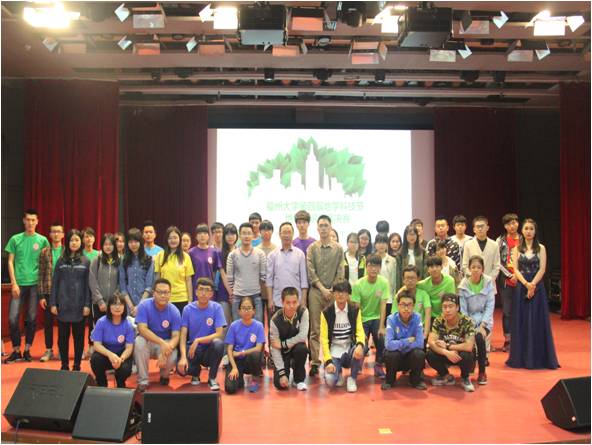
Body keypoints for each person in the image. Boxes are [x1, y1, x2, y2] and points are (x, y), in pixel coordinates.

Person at [506, 219, 559, 370]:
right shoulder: (516, 248)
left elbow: (542, 269)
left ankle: (539, 358)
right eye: (526, 229)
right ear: (522, 231)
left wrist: (533, 285)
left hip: (537, 288)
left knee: (537, 320)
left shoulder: (541, 248)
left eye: (531, 229)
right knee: (521, 321)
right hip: (522, 287)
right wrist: (526, 284)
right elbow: (515, 269)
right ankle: (521, 358)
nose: (529, 231)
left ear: (535, 231)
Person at [4, 209, 50, 363]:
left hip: (35, 285)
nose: (30, 223)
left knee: (31, 318)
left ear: (37, 222)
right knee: (12, 318)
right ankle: (16, 350)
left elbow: (47, 263)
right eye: (28, 220)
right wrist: (13, 283)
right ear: (24, 221)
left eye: (33, 220)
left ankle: (27, 350)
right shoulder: (15, 239)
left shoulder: (43, 240)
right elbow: (10, 261)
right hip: (18, 284)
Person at [306, 215, 345, 377]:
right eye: (321, 225)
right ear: (317, 228)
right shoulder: (312, 248)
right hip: (316, 292)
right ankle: (315, 362)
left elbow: (340, 271)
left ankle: (332, 359)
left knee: (332, 328)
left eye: (326, 225)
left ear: (331, 227)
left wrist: (332, 290)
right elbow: (311, 271)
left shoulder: (339, 249)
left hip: (333, 293)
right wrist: (323, 289)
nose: (323, 228)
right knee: (315, 329)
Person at [49, 229, 91, 371]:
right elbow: (55, 283)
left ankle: (77, 365)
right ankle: (64, 365)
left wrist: (87, 304)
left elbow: (88, 285)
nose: (74, 243)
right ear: (67, 242)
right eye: (71, 240)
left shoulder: (86, 261)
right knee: (62, 338)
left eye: (77, 240)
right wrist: (53, 303)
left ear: (81, 242)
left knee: (79, 338)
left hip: (79, 306)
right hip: (63, 306)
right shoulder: (61, 261)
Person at [177, 278, 226, 391]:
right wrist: (183, 357)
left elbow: (219, 333)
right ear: (196, 292)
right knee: (181, 370)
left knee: (218, 344)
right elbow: (183, 335)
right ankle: (195, 373)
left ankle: (212, 378)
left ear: (211, 294)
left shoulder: (217, 308)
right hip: (193, 350)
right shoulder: (188, 309)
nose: (204, 293)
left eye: (207, 290)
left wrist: (198, 340)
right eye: (201, 289)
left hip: (209, 349)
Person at [134, 278, 181, 391]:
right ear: (153, 293)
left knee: (173, 354)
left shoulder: (174, 311)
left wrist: (165, 350)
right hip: (148, 341)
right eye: (159, 292)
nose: (163, 295)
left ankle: (164, 375)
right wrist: (161, 342)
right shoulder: (144, 305)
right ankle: (143, 381)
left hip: (165, 343)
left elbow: (176, 336)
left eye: (166, 292)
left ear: (170, 294)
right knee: (139, 342)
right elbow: (142, 329)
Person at [320, 280, 365, 393]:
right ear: (333, 293)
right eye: (337, 291)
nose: (340, 295)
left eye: (344, 291)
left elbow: (360, 331)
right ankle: (338, 371)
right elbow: (324, 339)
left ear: (348, 293)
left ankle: (352, 378)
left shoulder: (355, 309)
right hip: (334, 350)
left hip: (349, 349)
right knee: (330, 381)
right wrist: (328, 361)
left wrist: (360, 345)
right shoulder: (326, 312)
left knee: (361, 348)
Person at [427, 293, 476, 392]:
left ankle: (465, 377)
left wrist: (448, 346)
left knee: (467, 355)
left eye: (451, 306)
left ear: (457, 307)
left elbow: (469, 346)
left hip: (460, 354)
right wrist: (446, 352)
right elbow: (431, 342)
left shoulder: (467, 321)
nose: (447, 310)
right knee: (430, 353)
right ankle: (445, 375)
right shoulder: (438, 320)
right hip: (446, 354)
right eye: (444, 307)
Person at [458, 255, 495, 385]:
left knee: (479, 337)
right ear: (469, 268)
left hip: (485, 320)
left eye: (479, 267)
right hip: (468, 320)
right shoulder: (463, 285)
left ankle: (482, 372)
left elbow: (490, 306)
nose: (476, 270)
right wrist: (470, 326)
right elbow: (463, 310)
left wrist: (483, 325)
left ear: (482, 269)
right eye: (473, 267)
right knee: (471, 336)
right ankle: (471, 364)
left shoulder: (488, 282)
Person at [351, 254, 389, 379]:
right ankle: (358, 362)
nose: (373, 269)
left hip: (376, 318)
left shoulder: (383, 283)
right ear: (366, 267)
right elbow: (357, 309)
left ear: (380, 268)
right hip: (362, 319)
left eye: (376, 266)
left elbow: (383, 306)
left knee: (382, 338)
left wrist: (382, 326)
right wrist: (359, 330)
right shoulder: (358, 284)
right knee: (363, 344)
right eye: (370, 266)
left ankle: (378, 365)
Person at [382, 290, 426, 390]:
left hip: (410, 357)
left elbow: (420, 343)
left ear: (413, 306)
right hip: (396, 358)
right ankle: (389, 381)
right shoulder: (391, 319)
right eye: (403, 305)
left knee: (419, 353)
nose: (406, 308)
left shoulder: (417, 318)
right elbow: (388, 344)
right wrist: (407, 341)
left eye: (409, 305)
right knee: (391, 353)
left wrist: (399, 344)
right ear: (398, 306)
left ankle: (415, 381)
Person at [90, 293, 135, 388]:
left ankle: (120, 382)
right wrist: (110, 355)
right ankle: (101, 382)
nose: (117, 307)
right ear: (109, 307)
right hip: (105, 354)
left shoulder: (128, 324)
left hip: (121, 355)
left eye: (120, 304)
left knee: (125, 369)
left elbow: (129, 348)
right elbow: (96, 345)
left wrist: (120, 359)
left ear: (124, 307)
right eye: (114, 304)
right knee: (95, 359)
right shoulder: (101, 322)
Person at [269, 287, 310, 391]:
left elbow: (303, 336)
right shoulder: (274, 320)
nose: (291, 306)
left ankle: (298, 379)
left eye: (294, 302)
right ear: (282, 302)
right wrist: (282, 373)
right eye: (288, 303)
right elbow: (275, 347)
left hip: (295, 348)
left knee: (302, 349)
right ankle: (286, 368)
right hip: (282, 353)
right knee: (280, 385)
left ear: (298, 301)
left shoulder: (303, 312)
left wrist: (283, 344)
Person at [88, 233, 121, 359]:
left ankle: (113, 355)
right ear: (102, 245)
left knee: (113, 330)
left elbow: (121, 282)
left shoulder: (120, 260)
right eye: (105, 244)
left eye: (110, 244)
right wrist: (100, 300)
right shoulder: (96, 260)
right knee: (99, 330)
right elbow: (92, 281)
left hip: (114, 303)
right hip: (98, 303)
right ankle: (99, 356)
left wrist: (113, 300)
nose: (108, 247)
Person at [224, 296, 265, 394]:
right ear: (239, 311)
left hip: (249, 360)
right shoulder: (234, 325)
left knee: (256, 354)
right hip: (237, 361)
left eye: (249, 308)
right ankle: (239, 379)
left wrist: (241, 352)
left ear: (254, 310)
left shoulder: (259, 326)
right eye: (243, 308)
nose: (246, 311)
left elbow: (258, 348)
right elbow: (229, 350)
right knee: (230, 389)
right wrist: (234, 368)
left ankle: (254, 380)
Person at [227, 222, 266, 322]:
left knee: (257, 327)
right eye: (244, 233)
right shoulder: (232, 255)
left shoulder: (260, 253)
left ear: (253, 235)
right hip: (238, 297)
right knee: (238, 327)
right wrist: (235, 292)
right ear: (239, 236)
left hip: (256, 297)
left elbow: (263, 276)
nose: (246, 236)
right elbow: (230, 279)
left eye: (249, 233)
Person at [266, 222, 308, 313]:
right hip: (278, 301)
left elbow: (304, 280)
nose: (286, 235)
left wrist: (303, 300)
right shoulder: (272, 255)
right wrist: (270, 300)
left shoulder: (300, 254)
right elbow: (269, 280)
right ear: (279, 234)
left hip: (296, 302)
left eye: (289, 232)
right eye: (284, 232)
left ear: (293, 234)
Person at [38, 221, 64, 362]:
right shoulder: (44, 252)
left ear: (63, 234)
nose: (56, 234)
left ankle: (61, 349)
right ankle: (49, 350)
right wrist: (41, 295)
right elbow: (41, 274)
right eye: (53, 232)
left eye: (58, 232)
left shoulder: (67, 251)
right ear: (49, 234)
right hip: (48, 292)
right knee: (48, 323)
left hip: (63, 293)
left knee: (62, 323)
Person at [154, 226, 194, 314]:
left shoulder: (186, 257)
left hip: (182, 298)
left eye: (175, 238)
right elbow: (157, 278)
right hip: (164, 297)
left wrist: (190, 300)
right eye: (170, 238)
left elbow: (188, 280)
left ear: (179, 239)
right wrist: (156, 296)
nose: (173, 240)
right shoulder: (160, 255)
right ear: (166, 240)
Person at [496, 213, 520, 352]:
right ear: (505, 226)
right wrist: (510, 275)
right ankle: (508, 340)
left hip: (522, 280)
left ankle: (521, 339)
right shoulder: (500, 241)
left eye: (514, 222)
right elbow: (497, 261)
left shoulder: (523, 239)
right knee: (507, 312)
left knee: (521, 311)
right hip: (506, 281)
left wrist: (519, 275)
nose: (512, 226)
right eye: (509, 223)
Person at [119, 228, 154, 317]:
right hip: (128, 305)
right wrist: (131, 306)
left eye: (136, 241)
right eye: (130, 242)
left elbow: (149, 286)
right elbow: (123, 287)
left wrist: (139, 306)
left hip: (145, 303)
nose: (133, 244)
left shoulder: (149, 260)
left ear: (141, 242)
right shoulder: (123, 261)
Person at [393, 265, 432, 339]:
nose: (410, 281)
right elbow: (394, 316)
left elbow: (428, 313)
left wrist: (425, 334)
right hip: (402, 331)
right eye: (407, 278)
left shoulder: (424, 294)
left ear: (418, 279)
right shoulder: (398, 296)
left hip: (419, 330)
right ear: (403, 280)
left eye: (413, 278)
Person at [461, 216, 501, 286]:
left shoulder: (494, 245)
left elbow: (497, 266)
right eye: (477, 227)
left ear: (487, 228)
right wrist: (474, 278)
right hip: (472, 283)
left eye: (482, 226)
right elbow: (465, 265)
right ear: (474, 229)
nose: (480, 229)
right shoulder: (468, 244)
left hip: (489, 284)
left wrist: (488, 279)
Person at [417, 256, 456, 321]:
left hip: (446, 316)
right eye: (432, 267)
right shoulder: (424, 283)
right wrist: (399, 292)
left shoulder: (450, 281)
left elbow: (452, 301)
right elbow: (411, 285)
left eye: (437, 266)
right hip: (430, 317)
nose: (434, 269)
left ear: (441, 267)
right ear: (428, 269)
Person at [188, 224, 222, 295]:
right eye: (200, 233)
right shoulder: (191, 252)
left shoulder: (214, 252)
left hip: (209, 289)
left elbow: (216, 271)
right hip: (196, 289)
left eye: (205, 233)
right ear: (196, 237)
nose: (202, 235)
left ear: (208, 236)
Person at [374, 234, 400, 317]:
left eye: (384, 242)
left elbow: (395, 281)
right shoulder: (371, 259)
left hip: (389, 298)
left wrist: (395, 297)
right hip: (374, 298)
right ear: (375, 244)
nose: (381, 245)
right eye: (379, 242)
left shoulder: (393, 260)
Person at [217, 223, 238, 324]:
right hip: (224, 291)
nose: (230, 237)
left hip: (238, 291)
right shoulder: (220, 253)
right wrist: (230, 292)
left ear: (236, 236)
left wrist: (235, 292)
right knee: (225, 323)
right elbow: (223, 274)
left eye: (232, 234)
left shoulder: (240, 251)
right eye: (227, 234)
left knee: (237, 322)